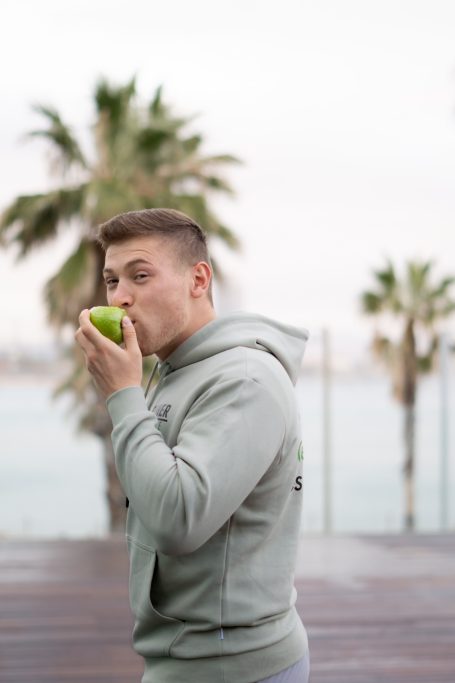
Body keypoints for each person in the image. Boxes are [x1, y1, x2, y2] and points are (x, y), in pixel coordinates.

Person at [75, 208, 310, 683]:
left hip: (235, 667)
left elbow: (178, 518)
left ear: (198, 279)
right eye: (111, 280)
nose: (120, 298)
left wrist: (123, 395)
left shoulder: (245, 380)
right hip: (183, 660)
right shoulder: (173, 370)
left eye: (140, 276)